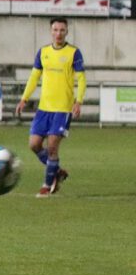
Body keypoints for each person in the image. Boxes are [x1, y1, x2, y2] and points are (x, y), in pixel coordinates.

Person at [14, 17, 86, 197]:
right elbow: (34, 77)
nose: (58, 33)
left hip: (62, 109)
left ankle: (47, 186)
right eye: (55, 30)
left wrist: (79, 101)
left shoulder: (73, 53)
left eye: (62, 30)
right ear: (51, 31)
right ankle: (57, 171)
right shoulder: (43, 52)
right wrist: (24, 98)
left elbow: (81, 78)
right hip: (44, 108)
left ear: (67, 32)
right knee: (34, 144)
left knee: (52, 146)